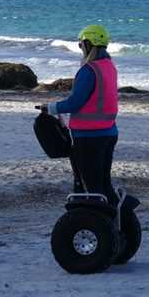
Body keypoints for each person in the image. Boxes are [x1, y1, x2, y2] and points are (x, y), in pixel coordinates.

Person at [41, 24, 120, 205]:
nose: (80, 48)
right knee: (104, 185)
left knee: (91, 188)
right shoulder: (109, 67)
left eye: (80, 44)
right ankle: (118, 222)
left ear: (87, 44)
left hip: (89, 137)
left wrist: (51, 108)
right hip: (109, 133)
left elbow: (76, 102)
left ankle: (98, 226)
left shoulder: (89, 70)